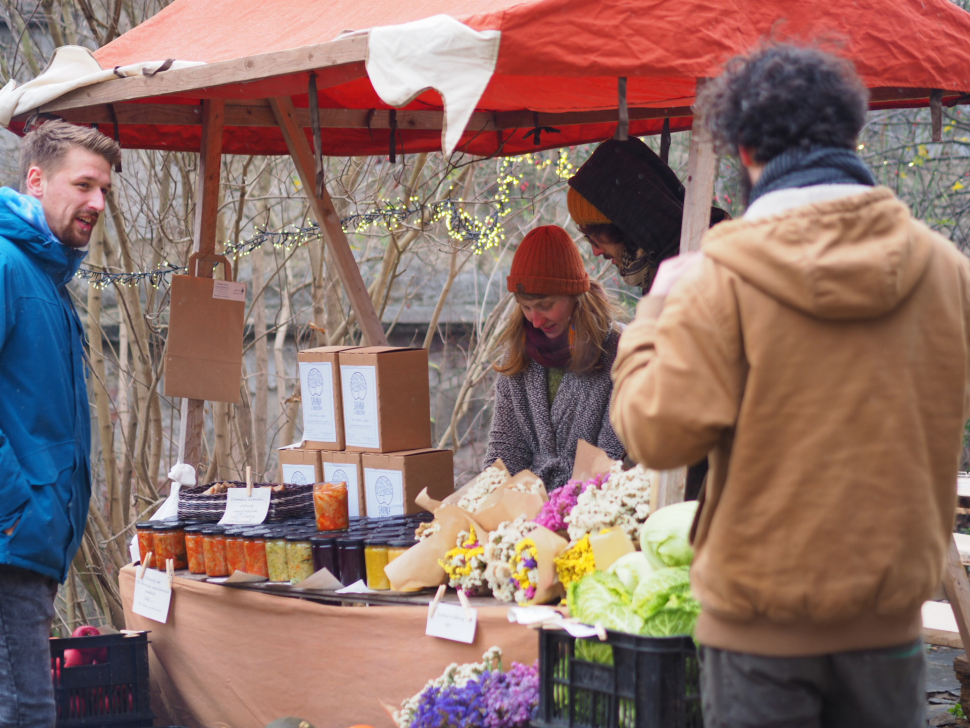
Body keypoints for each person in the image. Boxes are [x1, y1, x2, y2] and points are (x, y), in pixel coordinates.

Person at [610, 44, 970, 728]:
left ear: (745, 151)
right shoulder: (947, 272)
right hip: (888, 626)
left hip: (758, 634)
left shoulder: (720, 278)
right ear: (852, 135)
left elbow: (656, 434)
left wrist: (654, 313)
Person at [0, 120, 119, 728]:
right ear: (37, 180)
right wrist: (13, 508)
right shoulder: (6, 267)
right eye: (84, 185)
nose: (98, 203)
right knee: (26, 715)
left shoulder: (45, 277)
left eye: (104, 190)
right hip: (9, 544)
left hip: (30, 545)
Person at [485, 225, 624, 490]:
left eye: (545, 306)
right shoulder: (517, 358)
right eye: (525, 307)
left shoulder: (618, 352)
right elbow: (504, 456)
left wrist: (561, 511)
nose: (535, 321)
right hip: (523, 513)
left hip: (593, 508)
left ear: (575, 295)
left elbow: (612, 459)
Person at [566, 136, 728, 294]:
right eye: (588, 238)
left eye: (594, 233)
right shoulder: (668, 266)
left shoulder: (698, 267)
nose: (596, 251)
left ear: (626, 220)